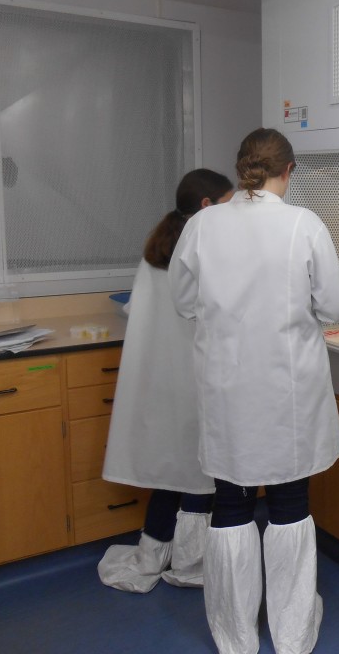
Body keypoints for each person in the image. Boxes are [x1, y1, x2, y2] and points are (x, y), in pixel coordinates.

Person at [170, 128, 339, 654]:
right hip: (287, 394)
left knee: (230, 505)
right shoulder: (304, 224)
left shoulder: (203, 225)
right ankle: (292, 633)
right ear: (288, 171)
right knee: (290, 505)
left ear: (242, 167)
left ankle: (236, 634)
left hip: (226, 391)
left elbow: (183, 301)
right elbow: (336, 305)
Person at [97, 168, 234, 593]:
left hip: (160, 383)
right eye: (229, 205)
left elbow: (137, 310)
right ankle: (192, 564)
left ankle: (154, 553)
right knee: (198, 475)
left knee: (169, 474)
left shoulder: (157, 249)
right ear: (207, 207)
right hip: (197, 381)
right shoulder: (205, 253)